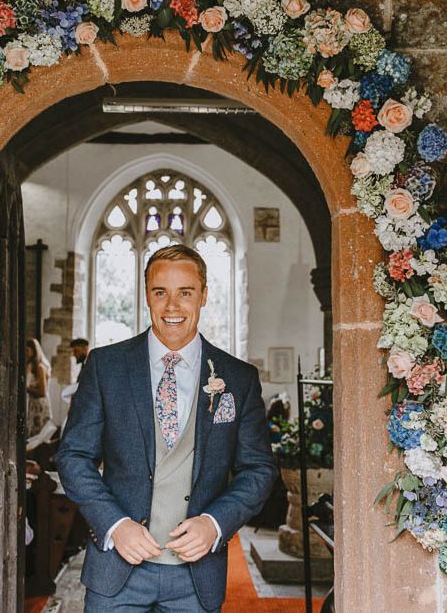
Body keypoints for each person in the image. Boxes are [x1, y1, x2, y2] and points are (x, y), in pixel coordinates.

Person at [55, 244, 277, 612]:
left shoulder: (239, 378)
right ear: (147, 296)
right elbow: (73, 456)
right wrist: (114, 525)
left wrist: (215, 523)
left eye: (185, 293)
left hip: (196, 578)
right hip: (116, 574)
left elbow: (259, 469)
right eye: (161, 292)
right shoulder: (106, 366)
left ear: (204, 295)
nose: (172, 307)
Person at [26, 338, 52, 438]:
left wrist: (26, 389)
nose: (26, 353)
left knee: (38, 437)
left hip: (40, 406)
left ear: (34, 350)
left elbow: (42, 392)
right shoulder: (30, 365)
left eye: (27, 350)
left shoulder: (41, 367)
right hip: (32, 404)